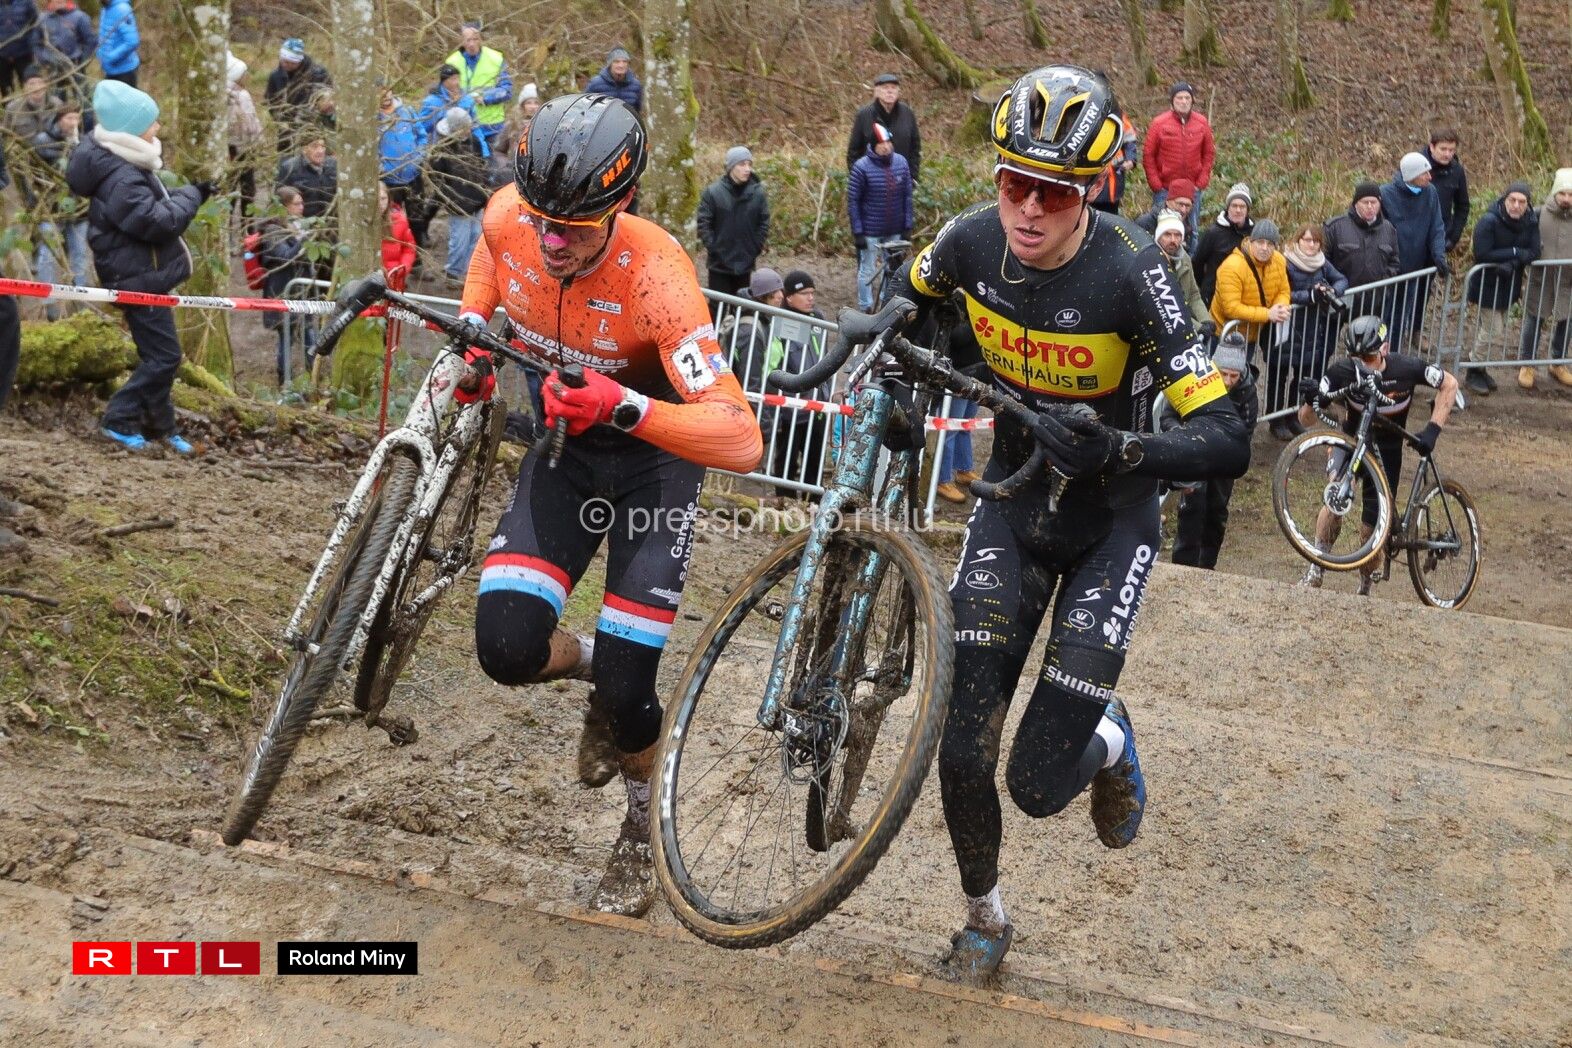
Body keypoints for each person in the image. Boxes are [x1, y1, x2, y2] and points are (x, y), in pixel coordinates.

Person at [885, 65, 1248, 981]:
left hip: (1107, 529)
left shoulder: (1135, 270)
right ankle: (984, 917)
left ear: (1092, 189)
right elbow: (906, 297)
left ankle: (1109, 736)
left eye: (1054, 192)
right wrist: (897, 371)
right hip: (1010, 511)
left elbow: (1226, 436)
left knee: (1037, 784)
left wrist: (1123, 449)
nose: (1029, 209)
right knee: (961, 747)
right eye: (1015, 183)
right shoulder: (969, 239)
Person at [460, 93, 762, 918]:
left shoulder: (658, 277)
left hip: (653, 469)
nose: (551, 241)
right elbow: (492, 252)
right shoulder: (511, 216)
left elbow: (742, 438)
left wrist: (624, 405)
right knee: (505, 649)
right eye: (541, 220)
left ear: (620, 204)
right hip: (564, 455)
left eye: (573, 227)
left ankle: (638, 824)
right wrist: (473, 327)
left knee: (630, 691)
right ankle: (591, 659)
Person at [66, 79, 211, 454]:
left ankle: (161, 426)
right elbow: (157, 222)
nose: (158, 127)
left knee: (159, 356)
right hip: (137, 278)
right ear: (131, 129)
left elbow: (152, 208)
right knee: (165, 357)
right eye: (151, 122)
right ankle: (118, 419)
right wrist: (192, 195)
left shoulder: (125, 163)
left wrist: (188, 193)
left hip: (143, 274)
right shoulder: (121, 175)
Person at [1296, 316, 1458, 594]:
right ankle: (1315, 570)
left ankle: (1365, 587)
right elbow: (1305, 420)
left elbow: (1450, 384)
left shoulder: (1406, 368)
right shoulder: (1342, 371)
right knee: (1336, 496)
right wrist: (1312, 401)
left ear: (1385, 349)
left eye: (1369, 357)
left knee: (1370, 530)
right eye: (1357, 358)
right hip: (1351, 441)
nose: (1364, 364)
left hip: (1388, 452)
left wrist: (1432, 430)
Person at [1158, 331, 1256, 568]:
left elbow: (1247, 431)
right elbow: (1167, 417)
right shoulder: (1194, 380)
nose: (1228, 381)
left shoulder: (1247, 390)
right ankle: (1183, 566)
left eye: (1234, 375)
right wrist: (1185, 437)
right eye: (1224, 374)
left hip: (1224, 459)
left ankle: (1208, 566)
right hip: (1195, 454)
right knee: (1192, 508)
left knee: (1217, 511)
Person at [1465, 182, 1539, 394]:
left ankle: (1480, 368)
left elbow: (1534, 251)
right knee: (1492, 330)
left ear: (1527, 204)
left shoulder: (1530, 222)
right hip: (1486, 285)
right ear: (1504, 199)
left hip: (1510, 285)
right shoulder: (1489, 221)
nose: (1516, 205)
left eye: (1521, 201)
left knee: (1496, 329)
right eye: (1512, 200)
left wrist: (1512, 263)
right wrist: (1515, 252)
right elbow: (1482, 253)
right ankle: (1473, 369)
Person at [1278, 224, 1349, 435]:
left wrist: (1331, 291)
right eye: (1307, 240)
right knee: (1279, 374)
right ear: (1298, 240)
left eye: (1316, 241)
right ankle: (1275, 420)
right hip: (1287, 325)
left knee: (1302, 376)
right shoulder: (1285, 261)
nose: (1311, 245)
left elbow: (1342, 279)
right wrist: (1310, 296)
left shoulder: (1321, 262)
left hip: (1311, 327)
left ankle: (1293, 415)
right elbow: (1281, 292)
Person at [1379, 152, 1449, 354]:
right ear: (1411, 175)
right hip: (1390, 271)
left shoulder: (1430, 193)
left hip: (1414, 269)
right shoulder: (1385, 194)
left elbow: (1437, 227)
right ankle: (1376, 354)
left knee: (1401, 316)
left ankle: (1393, 356)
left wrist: (1438, 255)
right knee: (1383, 315)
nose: (1429, 177)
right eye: (1424, 173)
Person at [27, 99, 90, 313]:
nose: (73, 123)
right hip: (51, 208)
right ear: (59, 119)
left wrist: (77, 147)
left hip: (79, 209)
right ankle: (49, 303)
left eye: (76, 118)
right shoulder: (42, 142)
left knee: (80, 254)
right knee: (47, 254)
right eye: (69, 118)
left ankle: (80, 300)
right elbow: (35, 175)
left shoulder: (83, 142)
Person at [848, 122, 913, 312]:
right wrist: (858, 232)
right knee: (867, 269)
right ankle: (866, 306)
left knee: (892, 269)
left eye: (888, 142)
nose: (886, 147)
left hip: (895, 228)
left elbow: (907, 196)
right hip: (870, 230)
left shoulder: (901, 163)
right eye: (881, 143)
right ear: (873, 145)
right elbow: (853, 201)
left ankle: (887, 302)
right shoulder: (861, 168)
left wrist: (907, 226)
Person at [696, 145, 769, 306]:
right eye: (742, 164)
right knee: (717, 309)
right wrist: (714, 248)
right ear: (731, 167)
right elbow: (704, 223)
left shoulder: (758, 194)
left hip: (745, 263)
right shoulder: (713, 192)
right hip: (719, 265)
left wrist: (755, 248)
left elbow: (763, 223)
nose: (747, 169)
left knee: (742, 308)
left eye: (749, 164)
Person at [1209, 218, 1290, 362]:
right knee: (1220, 375)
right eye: (1260, 242)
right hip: (1223, 335)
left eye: (1270, 244)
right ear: (1251, 242)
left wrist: (1280, 306)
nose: (1264, 248)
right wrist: (1268, 314)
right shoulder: (1232, 266)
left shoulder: (1279, 261)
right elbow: (1231, 308)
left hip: (1250, 335)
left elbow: (1283, 291)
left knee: (1243, 373)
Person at [427, 107, 491, 285]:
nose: (468, 130)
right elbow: (438, 182)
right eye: (465, 127)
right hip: (458, 205)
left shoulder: (474, 141)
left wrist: (483, 191)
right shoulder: (440, 151)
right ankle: (453, 273)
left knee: (476, 238)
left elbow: (481, 167)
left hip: (477, 200)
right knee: (459, 242)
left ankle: (470, 271)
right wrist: (454, 200)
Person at [1520, 168, 1572, 389]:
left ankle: (1557, 363)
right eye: (1562, 193)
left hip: (1567, 281)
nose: (1566, 199)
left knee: (1566, 322)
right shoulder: (1537, 214)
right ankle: (1527, 364)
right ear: (1554, 193)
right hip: (1541, 279)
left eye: (1570, 195)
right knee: (1534, 320)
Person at [257, 186, 313, 384]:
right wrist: (303, 240)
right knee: (286, 338)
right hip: (281, 291)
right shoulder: (272, 231)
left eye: (302, 203)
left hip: (302, 291)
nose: (302, 207)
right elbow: (284, 257)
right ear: (284, 207)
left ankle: (313, 377)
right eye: (296, 204)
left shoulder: (298, 226)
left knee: (309, 335)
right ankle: (284, 379)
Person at [1141, 81, 1214, 218]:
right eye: (1179, 98)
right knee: (1164, 226)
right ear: (1172, 101)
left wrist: (1202, 181)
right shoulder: (1159, 123)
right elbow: (1148, 155)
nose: (1184, 102)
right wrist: (1156, 184)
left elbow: (1208, 153)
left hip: (1193, 189)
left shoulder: (1202, 123)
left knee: (1192, 229)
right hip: (1165, 189)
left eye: (1187, 98)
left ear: (1192, 101)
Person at [845, 72, 921, 183]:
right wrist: (860, 180)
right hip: (872, 182)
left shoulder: (907, 113)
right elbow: (853, 152)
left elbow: (915, 148)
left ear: (898, 91)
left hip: (901, 181)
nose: (890, 91)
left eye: (893, 88)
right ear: (876, 91)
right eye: (885, 88)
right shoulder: (864, 115)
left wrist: (912, 177)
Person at [377, 84, 427, 246]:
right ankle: (395, 253)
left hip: (413, 175)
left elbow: (422, 136)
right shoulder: (372, 120)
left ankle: (418, 252)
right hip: (389, 180)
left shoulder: (407, 111)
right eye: (380, 93)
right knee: (392, 220)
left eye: (387, 91)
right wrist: (381, 167)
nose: (385, 96)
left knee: (417, 217)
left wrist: (419, 157)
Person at [445, 20, 512, 141]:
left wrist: (484, 97)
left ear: (480, 38)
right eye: (468, 40)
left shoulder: (496, 58)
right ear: (462, 41)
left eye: (475, 39)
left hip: (493, 127)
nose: (472, 44)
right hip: (464, 127)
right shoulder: (452, 62)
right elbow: (444, 93)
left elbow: (507, 90)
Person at [264, 37, 333, 154]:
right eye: (284, 61)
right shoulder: (275, 76)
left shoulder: (318, 74)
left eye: (291, 62)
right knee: (286, 158)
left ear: (299, 61)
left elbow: (328, 99)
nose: (286, 65)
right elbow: (271, 100)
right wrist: (280, 120)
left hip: (314, 127)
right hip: (286, 129)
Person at [1191, 182, 1253, 303]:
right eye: (1234, 206)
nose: (1238, 210)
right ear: (1228, 207)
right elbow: (1197, 262)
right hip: (1213, 296)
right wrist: (1206, 286)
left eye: (1242, 206)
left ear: (1247, 210)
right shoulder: (1213, 232)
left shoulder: (1254, 233)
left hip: (1243, 296)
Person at [1153, 209, 1210, 334]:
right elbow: (1166, 307)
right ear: (1159, 236)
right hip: (1160, 329)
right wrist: (1197, 327)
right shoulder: (1151, 262)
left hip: (1185, 326)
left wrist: (1205, 320)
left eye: (1177, 235)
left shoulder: (1184, 259)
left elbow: (1194, 294)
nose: (1173, 240)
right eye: (1167, 234)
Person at [225, 52, 263, 224]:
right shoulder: (239, 96)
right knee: (244, 189)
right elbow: (249, 124)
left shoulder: (234, 94)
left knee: (238, 188)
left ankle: (240, 226)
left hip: (237, 148)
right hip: (240, 148)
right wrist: (258, 141)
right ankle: (247, 227)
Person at [31, 0, 93, 101]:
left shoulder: (80, 17)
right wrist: (43, 58)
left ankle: (86, 110)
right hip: (53, 66)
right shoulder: (42, 19)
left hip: (75, 64)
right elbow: (35, 42)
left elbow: (90, 41)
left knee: (83, 96)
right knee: (56, 99)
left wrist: (83, 61)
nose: (58, 1)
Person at [1424, 127, 1470, 255]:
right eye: (1443, 149)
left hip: (1441, 237)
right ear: (1432, 147)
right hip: (1414, 237)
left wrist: (1453, 237)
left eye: (1451, 150)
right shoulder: (1416, 165)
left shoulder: (1457, 170)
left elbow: (1463, 206)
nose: (1447, 154)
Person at [275, 134, 337, 220]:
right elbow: (279, 201)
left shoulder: (333, 165)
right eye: (314, 147)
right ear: (304, 149)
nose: (320, 151)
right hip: (302, 222)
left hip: (331, 220)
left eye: (323, 146)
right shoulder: (290, 168)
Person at [1088, 111, 1137, 216]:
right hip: (1091, 178)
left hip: (1114, 178)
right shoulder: (1086, 114)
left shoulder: (1117, 114)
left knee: (1111, 217)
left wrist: (1130, 159)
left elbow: (1129, 139)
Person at [1135, 176, 1197, 253]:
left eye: (1187, 206)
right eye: (1180, 204)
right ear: (1168, 202)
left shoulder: (1188, 226)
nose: (1183, 210)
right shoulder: (1146, 223)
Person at [417, 63, 475, 139]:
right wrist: (442, 115)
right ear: (444, 81)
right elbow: (422, 128)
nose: (457, 82)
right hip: (440, 142)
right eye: (453, 79)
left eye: (458, 78)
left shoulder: (467, 99)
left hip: (465, 142)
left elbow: (475, 125)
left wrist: (482, 146)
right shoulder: (431, 102)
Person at [376, 181, 415, 290]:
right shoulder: (361, 225)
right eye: (376, 199)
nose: (380, 203)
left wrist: (402, 268)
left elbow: (409, 248)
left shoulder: (399, 220)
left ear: (389, 199)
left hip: (394, 279)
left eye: (383, 198)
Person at [94, 0, 137, 88]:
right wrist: (100, 53)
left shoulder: (122, 9)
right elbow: (105, 34)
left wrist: (110, 57)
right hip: (110, 69)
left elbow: (132, 42)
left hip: (124, 71)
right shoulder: (105, 9)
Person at [584, 45, 641, 112]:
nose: (621, 65)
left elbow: (636, 112)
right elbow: (585, 108)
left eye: (624, 61)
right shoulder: (595, 84)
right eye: (616, 62)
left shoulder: (636, 86)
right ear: (610, 64)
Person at [0, 0, 36, 97]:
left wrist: (33, 44)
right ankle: (10, 106)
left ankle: (29, 105)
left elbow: (35, 24)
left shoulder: (26, 3)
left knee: (28, 83)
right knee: (5, 88)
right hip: (2, 55)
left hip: (23, 53)